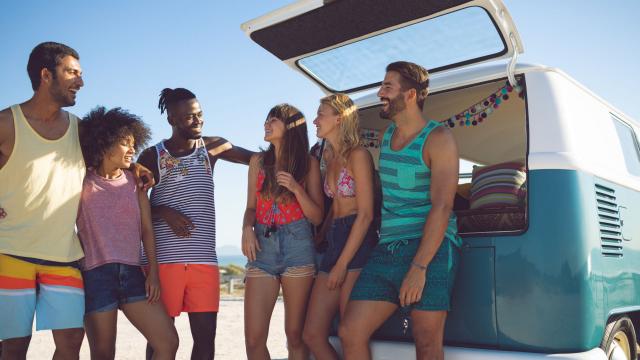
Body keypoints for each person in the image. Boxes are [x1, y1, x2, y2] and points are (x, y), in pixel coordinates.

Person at [338, 61, 463, 360]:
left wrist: (419, 268)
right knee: (349, 332)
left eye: (387, 87)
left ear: (410, 95)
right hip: (387, 249)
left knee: (426, 341)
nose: (380, 92)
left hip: (430, 248)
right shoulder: (386, 137)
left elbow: (443, 205)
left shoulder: (438, 138)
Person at [136, 88, 253, 360]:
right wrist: (164, 211)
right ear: (172, 120)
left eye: (200, 114)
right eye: (189, 117)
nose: (198, 121)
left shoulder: (212, 147)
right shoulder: (152, 156)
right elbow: (133, 207)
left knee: (205, 342)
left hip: (204, 262)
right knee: (161, 340)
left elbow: (256, 160)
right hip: (165, 262)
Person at [76, 106, 178, 359]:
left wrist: (152, 272)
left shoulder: (136, 181)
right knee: (103, 353)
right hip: (95, 274)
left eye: (134, 143)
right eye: (125, 143)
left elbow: (146, 230)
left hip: (133, 274)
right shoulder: (81, 179)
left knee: (168, 342)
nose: (133, 150)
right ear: (104, 143)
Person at [242, 104, 324, 360]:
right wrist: (246, 228)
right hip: (261, 247)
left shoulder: (308, 163)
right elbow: (250, 208)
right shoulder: (258, 162)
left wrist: (296, 189)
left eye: (274, 119)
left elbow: (318, 216)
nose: (267, 123)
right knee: (254, 339)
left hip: (298, 245)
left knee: (295, 335)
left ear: (291, 127)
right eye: (267, 118)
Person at [302, 94, 377, 360]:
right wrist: (321, 236)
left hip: (357, 240)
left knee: (349, 334)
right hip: (335, 238)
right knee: (311, 335)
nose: (315, 120)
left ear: (339, 118)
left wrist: (342, 264)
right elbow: (337, 206)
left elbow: (365, 214)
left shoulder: (358, 155)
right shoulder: (330, 157)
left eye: (320, 114)